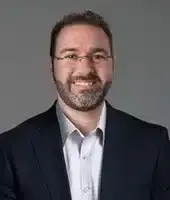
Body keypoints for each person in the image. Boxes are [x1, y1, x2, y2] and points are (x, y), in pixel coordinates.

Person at [0, 10, 170, 200]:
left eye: (97, 56)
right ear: (51, 65)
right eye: (71, 56)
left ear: (112, 64)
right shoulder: (10, 150)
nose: (85, 69)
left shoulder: (154, 144)